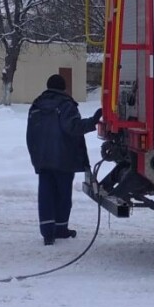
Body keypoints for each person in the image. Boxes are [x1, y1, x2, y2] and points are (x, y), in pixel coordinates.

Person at [25, 74, 101, 244]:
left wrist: (36, 157)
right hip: (64, 158)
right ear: (63, 87)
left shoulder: (36, 105)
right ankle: (60, 229)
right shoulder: (65, 105)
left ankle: (47, 233)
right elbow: (73, 127)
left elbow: (31, 134)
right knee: (62, 195)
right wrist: (94, 121)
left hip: (43, 160)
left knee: (45, 195)